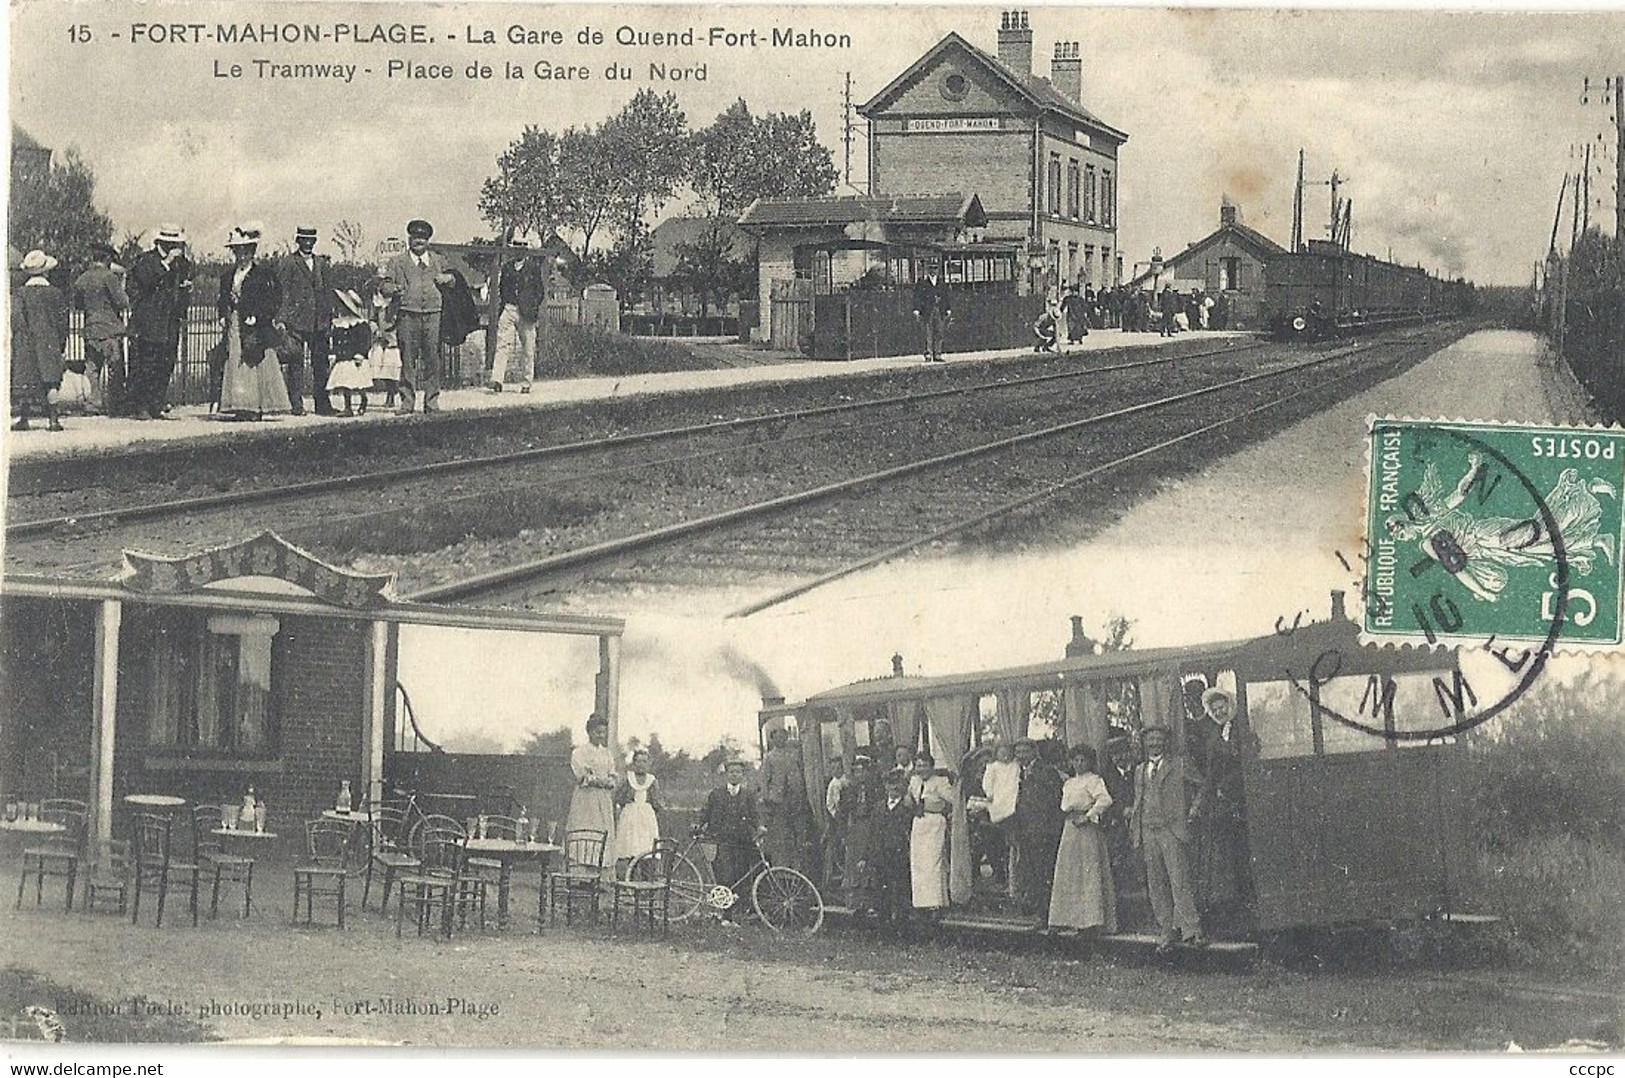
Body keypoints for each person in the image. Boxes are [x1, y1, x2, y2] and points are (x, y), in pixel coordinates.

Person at [1132, 724, 1206, 951]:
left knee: (1179, 880)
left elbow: (1202, 786)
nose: (1154, 743)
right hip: (1148, 830)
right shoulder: (1140, 770)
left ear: (1165, 742)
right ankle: (1166, 930)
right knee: (1156, 883)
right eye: (1150, 740)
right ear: (1144, 744)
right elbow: (1140, 799)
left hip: (1171, 829)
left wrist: (1194, 808)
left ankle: (1191, 930)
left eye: (1158, 739)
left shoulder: (1179, 764)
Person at [216, 223, 292, 421]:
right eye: (238, 252)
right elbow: (222, 299)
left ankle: (255, 406)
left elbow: (274, 299)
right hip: (235, 322)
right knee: (236, 359)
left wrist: (259, 316)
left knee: (255, 360)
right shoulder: (227, 277)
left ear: (252, 252)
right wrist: (223, 315)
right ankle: (240, 405)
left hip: (255, 325)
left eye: (246, 252)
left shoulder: (263, 275)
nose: (242, 256)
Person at [382, 219, 454, 414]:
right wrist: (393, 289)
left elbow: (453, 279)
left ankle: (431, 402)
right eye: (415, 237)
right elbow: (384, 286)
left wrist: (448, 278)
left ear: (428, 240)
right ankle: (407, 402)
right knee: (408, 359)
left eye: (422, 238)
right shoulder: (397, 262)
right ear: (409, 239)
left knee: (433, 359)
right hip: (407, 316)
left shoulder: (438, 260)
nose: (418, 241)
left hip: (433, 315)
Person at [125, 225, 193, 420]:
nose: (176, 246)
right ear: (162, 242)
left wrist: (185, 292)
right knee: (147, 362)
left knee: (166, 362)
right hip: (149, 321)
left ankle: (157, 402)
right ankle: (141, 405)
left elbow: (181, 288)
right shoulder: (146, 260)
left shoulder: (183, 264)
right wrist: (167, 262)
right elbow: (145, 282)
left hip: (170, 320)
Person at [1048, 744, 1116, 938]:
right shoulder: (1068, 783)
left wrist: (1088, 816)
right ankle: (1066, 918)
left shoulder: (1094, 780)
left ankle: (1090, 921)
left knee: (1088, 873)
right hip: (1070, 829)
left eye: (1083, 760)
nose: (1079, 763)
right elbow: (1064, 806)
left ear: (1089, 762)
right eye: (1075, 760)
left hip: (1086, 829)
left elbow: (1105, 800)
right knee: (1069, 871)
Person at [1193, 687, 1247, 931]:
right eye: (1214, 710)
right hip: (1221, 802)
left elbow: (1246, 761)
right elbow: (1211, 770)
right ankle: (1228, 912)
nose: (1219, 712)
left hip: (1243, 796)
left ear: (1230, 704)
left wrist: (1228, 785)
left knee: (1242, 853)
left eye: (1222, 707)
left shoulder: (1242, 728)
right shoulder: (1214, 734)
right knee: (1223, 856)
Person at [275, 225, 333, 416]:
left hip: (319, 322)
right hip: (297, 322)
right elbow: (282, 292)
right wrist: (282, 319)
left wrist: (329, 319)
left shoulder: (321, 263)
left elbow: (327, 292)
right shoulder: (289, 262)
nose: (308, 244)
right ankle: (296, 405)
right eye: (304, 240)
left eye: (311, 241)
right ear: (298, 241)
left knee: (321, 364)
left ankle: (322, 405)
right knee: (295, 363)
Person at [11, 250, 68, 432]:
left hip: (26, 341)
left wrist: (21, 337)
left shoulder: (20, 293)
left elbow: (16, 319)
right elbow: (62, 322)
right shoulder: (56, 293)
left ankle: (24, 419)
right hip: (49, 340)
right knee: (51, 381)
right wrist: (61, 343)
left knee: (26, 381)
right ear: (46, 271)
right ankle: (53, 420)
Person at [71, 241, 129, 415]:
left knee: (92, 369)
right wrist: (123, 280)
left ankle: (93, 403)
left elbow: (78, 305)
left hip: (91, 329)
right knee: (115, 368)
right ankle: (116, 404)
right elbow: (123, 302)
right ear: (108, 258)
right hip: (110, 329)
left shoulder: (82, 278)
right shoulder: (110, 277)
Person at [701, 758, 761, 920]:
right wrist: (700, 825)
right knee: (724, 876)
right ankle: (725, 914)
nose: (735, 775)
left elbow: (755, 816)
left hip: (742, 841)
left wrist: (759, 828)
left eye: (738, 772)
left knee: (740, 875)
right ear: (726, 775)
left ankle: (735, 912)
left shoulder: (748, 795)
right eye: (731, 772)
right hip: (721, 840)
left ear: (742, 775)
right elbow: (706, 812)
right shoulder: (717, 794)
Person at [1012, 737, 1064, 923]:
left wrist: (1050, 829)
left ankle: (1047, 915)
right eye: (1018, 752)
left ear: (1034, 751)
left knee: (1044, 873)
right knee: (1031, 872)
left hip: (1044, 831)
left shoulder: (1046, 771)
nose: (1021, 756)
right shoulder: (1018, 773)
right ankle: (1038, 912)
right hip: (1025, 830)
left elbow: (1055, 802)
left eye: (1024, 751)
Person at [489, 238, 545, 393]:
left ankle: (526, 382)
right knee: (502, 344)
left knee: (528, 347)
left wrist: (532, 307)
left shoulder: (533, 268)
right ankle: (497, 380)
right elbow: (502, 288)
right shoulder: (507, 268)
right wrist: (505, 305)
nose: (518, 252)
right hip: (509, 308)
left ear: (525, 251)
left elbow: (540, 292)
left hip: (527, 312)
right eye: (515, 249)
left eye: (521, 249)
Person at [567, 714, 618, 880]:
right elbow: (582, 777)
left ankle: (600, 878)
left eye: (603, 732)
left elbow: (612, 778)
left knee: (602, 832)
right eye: (597, 732)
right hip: (585, 800)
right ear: (589, 732)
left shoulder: (607, 754)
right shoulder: (579, 752)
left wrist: (605, 781)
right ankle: (580, 877)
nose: (601, 736)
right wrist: (599, 780)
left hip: (603, 800)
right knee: (585, 832)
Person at [909, 753, 953, 918]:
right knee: (919, 864)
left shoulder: (939, 782)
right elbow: (909, 799)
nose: (922, 769)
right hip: (919, 824)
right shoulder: (914, 782)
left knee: (933, 863)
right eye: (919, 765)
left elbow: (953, 800)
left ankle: (936, 902)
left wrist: (939, 808)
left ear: (931, 766)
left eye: (925, 765)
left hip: (934, 823)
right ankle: (921, 902)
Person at [759, 728, 809, 873]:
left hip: (795, 799)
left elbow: (800, 774)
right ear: (773, 740)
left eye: (783, 737)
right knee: (781, 836)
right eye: (777, 737)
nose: (781, 740)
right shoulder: (769, 757)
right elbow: (764, 780)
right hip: (778, 802)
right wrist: (768, 799)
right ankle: (781, 869)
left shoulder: (793, 755)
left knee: (798, 834)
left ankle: (798, 868)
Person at [873, 767, 915, 930]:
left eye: (897, 784)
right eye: (890, 784)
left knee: (901, 889)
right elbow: (873, 832)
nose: (894, 788)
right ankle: (883, 926)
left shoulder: (906, 807)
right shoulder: (879, 807)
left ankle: (902, 926)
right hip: (882, 855)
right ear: (885, 786)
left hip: (899, 853)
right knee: (882, 890)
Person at [839, 753, 880, 912]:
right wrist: (844, 833)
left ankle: (870, 901)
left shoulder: (875, 788)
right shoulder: (848, 789)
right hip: (855, 827)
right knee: (854, 862)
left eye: (862, 771)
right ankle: (855, 902)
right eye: (856, 771)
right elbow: (843, 812)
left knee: (868, 859)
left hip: (870, 825)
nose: (859, 774)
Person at [325, 289, 374, 417]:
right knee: (344, 383)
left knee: (358, 384)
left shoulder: (360, 324)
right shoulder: (339, 324)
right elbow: (335, 340)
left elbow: (365, 341)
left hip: (355, 358)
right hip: (343, 357)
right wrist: (333, 352)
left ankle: (363, 400)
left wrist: (361, 353)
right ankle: (348, 407)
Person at [981, 740, 1020, 896]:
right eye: (1001, 752)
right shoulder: (993, 767)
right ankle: (1001, 875)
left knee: (1012, 844)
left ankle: (1013, 881)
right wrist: (990, 793)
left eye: (1007, 752)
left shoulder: (1015, 766)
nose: (1004, 755)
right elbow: (987, 784)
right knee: (998, 840)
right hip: (998, 802)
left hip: (1012, 800)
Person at [613, 748, 662, 871]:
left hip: (646, 819)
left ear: (648, 764)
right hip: (630, 817)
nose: (641, 765)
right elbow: (618, 797)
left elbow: (656, 802)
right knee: (630, 847)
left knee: (647, 849)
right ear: (634, 763)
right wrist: (628, 804)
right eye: (638, 761)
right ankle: (631, 878)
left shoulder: (652, 780)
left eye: (644, 762)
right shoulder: (628, 779)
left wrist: (649, 810)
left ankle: (646, 880)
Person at [368, 277, 403, 409]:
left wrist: (391, 334)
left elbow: (398, 323)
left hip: (393, 342)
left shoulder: (397, 306)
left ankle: (391, 395)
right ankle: (389, 394)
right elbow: (372, 320)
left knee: (392, 370)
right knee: (381, 369)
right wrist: (376, 331)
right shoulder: (378, 306)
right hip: (380, 340)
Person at [912, 263, 950, 363]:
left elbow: (946, 296)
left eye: (935, 269)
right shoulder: (922, 282)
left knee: (939, 331)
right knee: (927, 332)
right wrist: (917, 309)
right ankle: (928, 353)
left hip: (939, 309)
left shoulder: (941, 283)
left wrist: (947, 308)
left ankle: (937, 353)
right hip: (927, 310)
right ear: (928, 270)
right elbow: (918, 296)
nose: (933, 271)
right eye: (931, 269)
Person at [823, 756, 848, 889]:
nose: (836, 770)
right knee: (839, 843)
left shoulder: (846, 780)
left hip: (847, 814)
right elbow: (829, 803)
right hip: (838, 817)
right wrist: (835, 814)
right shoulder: (833, 784)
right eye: (833, 768)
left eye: (839, 767)